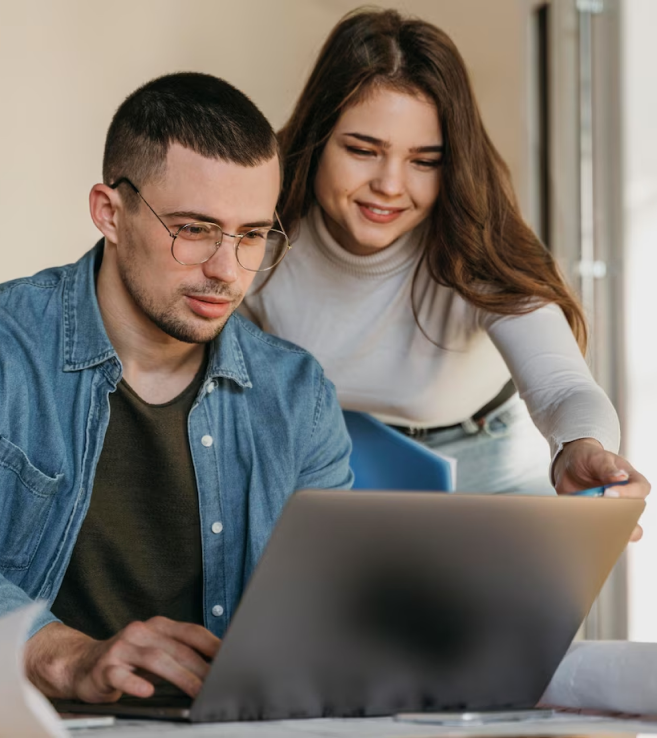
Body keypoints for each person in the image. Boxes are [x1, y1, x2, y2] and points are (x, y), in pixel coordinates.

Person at [0, 72, 352, 704]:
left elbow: (331, 605)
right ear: (110, 213)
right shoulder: (10, 350)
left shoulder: (298, 396)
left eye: (251, 235)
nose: (226, 271)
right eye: (193, 229)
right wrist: (68, 657)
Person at [242, 9, 649, 512]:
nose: (390, 185)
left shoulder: (474, 244)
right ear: (318, 138)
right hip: (330, 456)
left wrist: (582, 447)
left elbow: (563, 386)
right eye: (363, 150)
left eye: (424, 161)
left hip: (490, 459)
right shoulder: (257, 238)